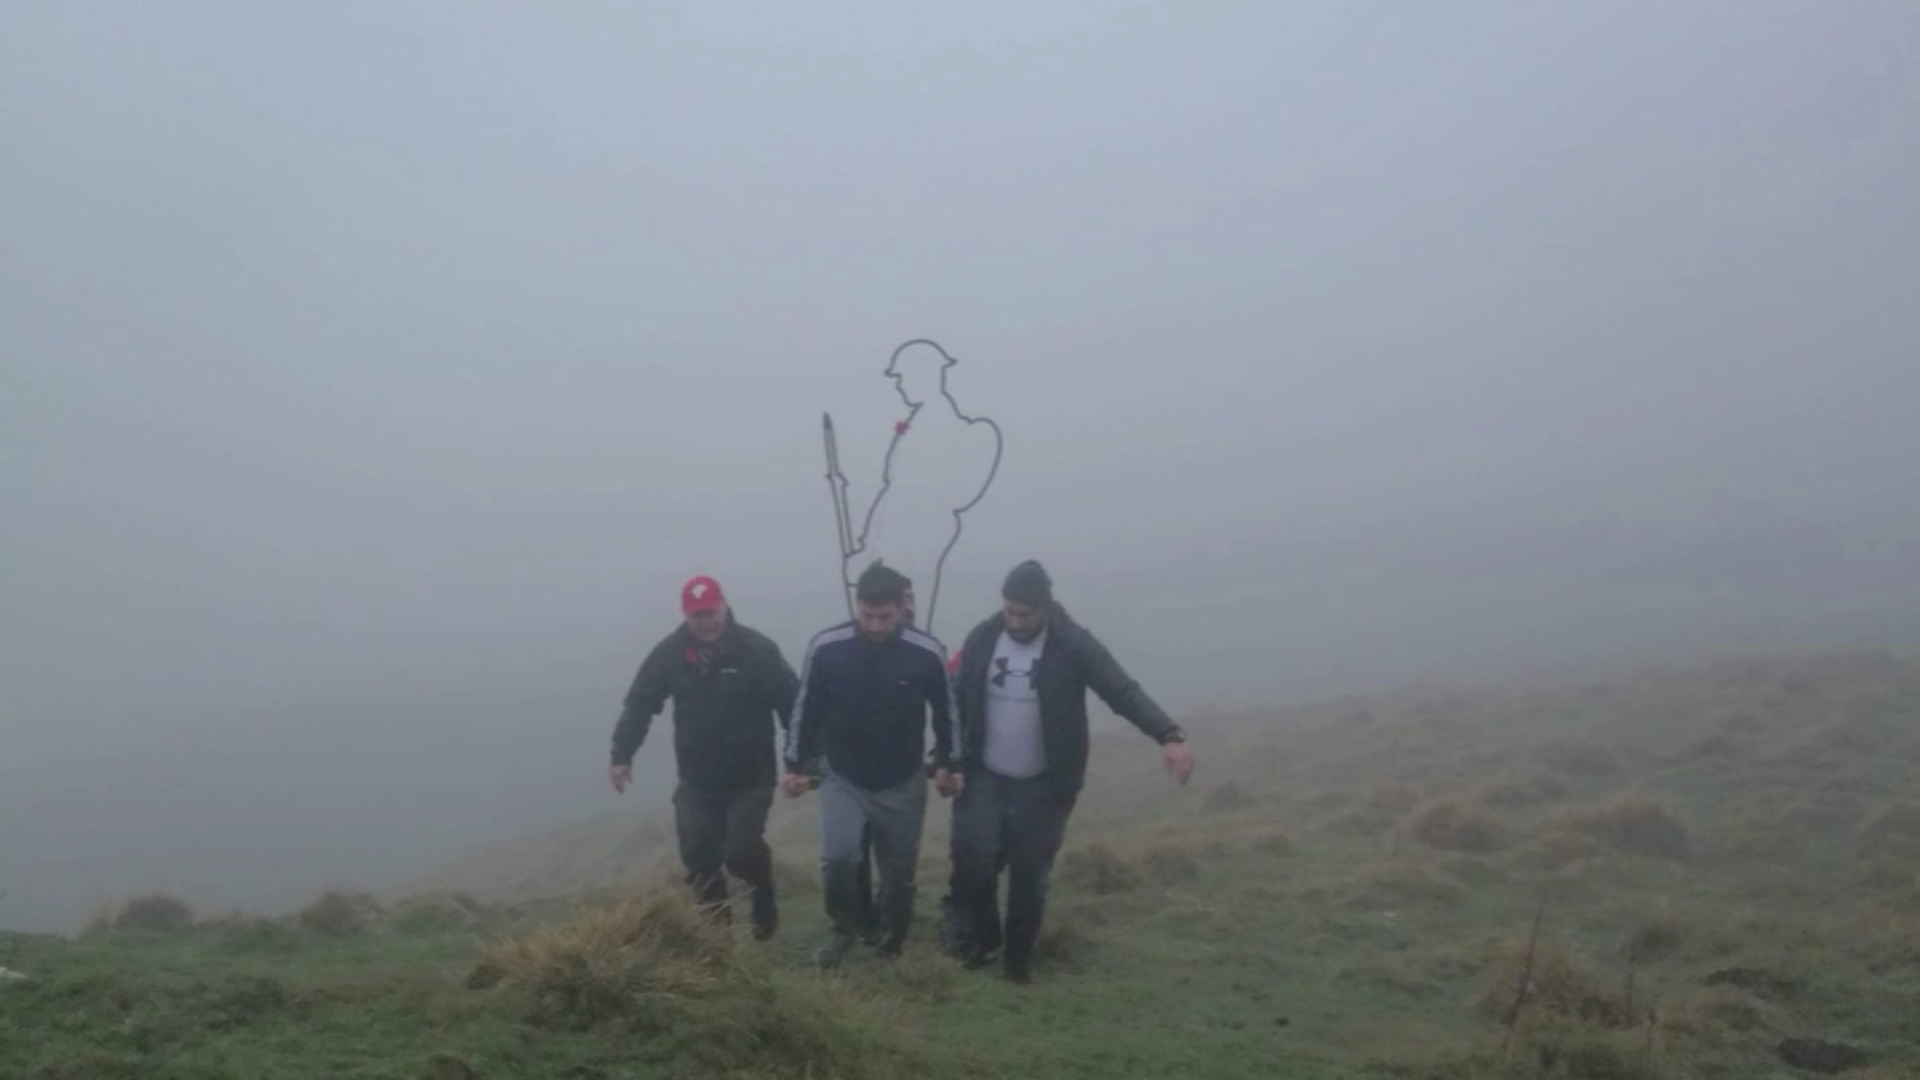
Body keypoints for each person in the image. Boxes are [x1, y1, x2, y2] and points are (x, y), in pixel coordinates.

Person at [942, 560, 1194, 983]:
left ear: (1045, 607)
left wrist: (1167, 734)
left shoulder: (1072, 644)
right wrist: (944, 761)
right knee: (972, 864)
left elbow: (1120, 689)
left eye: (1025, 613)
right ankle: (982, 943)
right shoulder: (983, 638)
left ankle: (1017, 965)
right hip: (983, 775)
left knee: (1029, 875)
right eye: (1010, 611)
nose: (1016, 622)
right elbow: (952, 700)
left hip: (1045, 783)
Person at [782, 561, 957, 967]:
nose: (875, 626)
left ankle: (890, 941)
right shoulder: (826, 647)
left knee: (898, 874)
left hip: (902, 779)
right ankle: (846, 927)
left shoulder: (927, 652)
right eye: (868, 615)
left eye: (885, 617)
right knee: (839, 859)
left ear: (902, 607)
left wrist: (952, 761)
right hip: (842, 774)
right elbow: (805, 708)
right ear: (856, 605)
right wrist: (793, 763)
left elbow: (948, 714)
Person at [608, 575, 800, 941]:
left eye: (710, 613)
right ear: (686, 615)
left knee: (740, 852)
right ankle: (716, 936)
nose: (706, 622)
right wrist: (622, 754)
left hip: (751, 777)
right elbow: (640, 704)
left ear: (724, 606)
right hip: (697, 779)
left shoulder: (757, 650)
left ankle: (763, 892)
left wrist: (800, 761)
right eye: (697, 616)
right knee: (698, 856)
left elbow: (793, 706)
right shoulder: (670, 653)